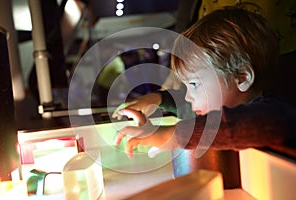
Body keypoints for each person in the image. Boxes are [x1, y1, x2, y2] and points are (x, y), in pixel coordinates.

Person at [112, 7, 296, 159]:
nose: (187, 96)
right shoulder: (227, 105)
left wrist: (170, 135)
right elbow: (192, 109)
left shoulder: (273, 113)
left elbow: (237, 125)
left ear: (242, 77)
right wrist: (156, 99)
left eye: (193, 84)